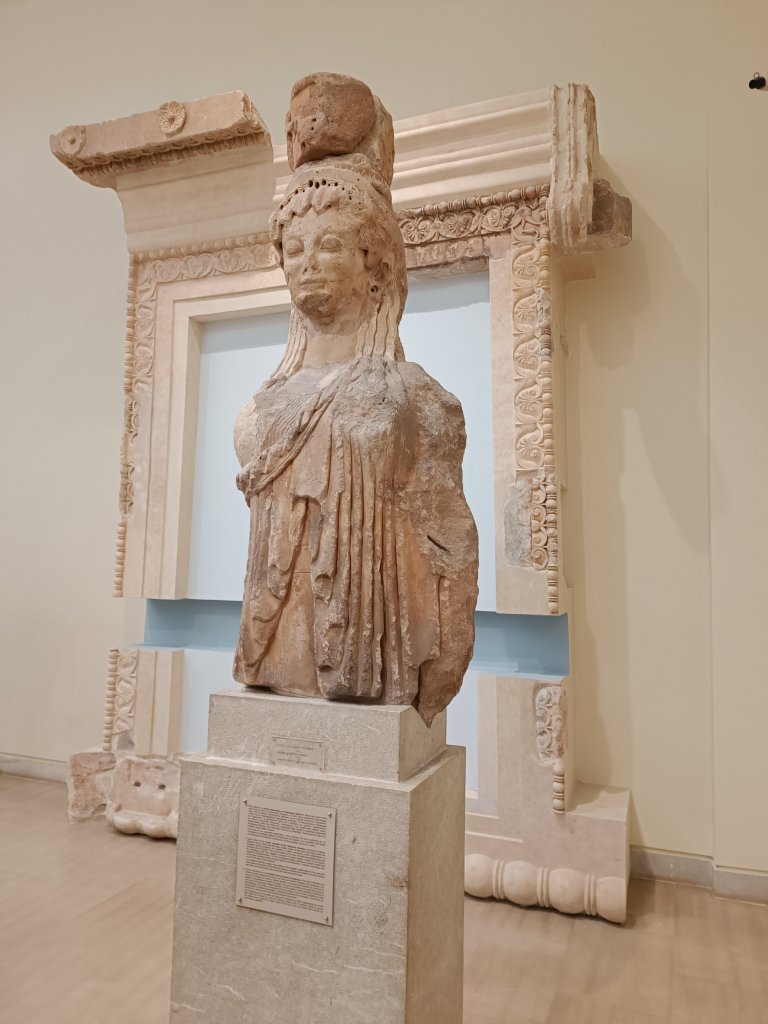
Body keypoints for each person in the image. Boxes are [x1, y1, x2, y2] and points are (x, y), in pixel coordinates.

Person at [233, 78, 478, 726]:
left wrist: (444, 651)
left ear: (375, 263)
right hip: (275, 656)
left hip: (371, 665)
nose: (306, 263)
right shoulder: (270, 399)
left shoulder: (414, 396)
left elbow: (448, 537)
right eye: (294, 249)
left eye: (330, 244)